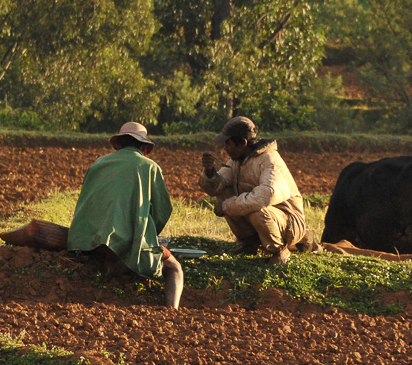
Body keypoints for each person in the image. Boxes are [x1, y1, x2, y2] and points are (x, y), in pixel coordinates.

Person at [67, 122, 183, 309]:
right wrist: (148, 235)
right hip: (123, 242)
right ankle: (172, 311)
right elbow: (163, 211)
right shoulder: (150, 166)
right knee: (175, 268)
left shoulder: (99, 163)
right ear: (144, 148)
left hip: (86, 241)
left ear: (118, 145)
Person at [198, 115, 315, 265]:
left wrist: (227, 206)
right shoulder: (236, 162)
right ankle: (250, 243)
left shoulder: (270, 160)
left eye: (228, 144)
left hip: (289, 221)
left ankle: (279, 250)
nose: (225, 148)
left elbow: (267, 195)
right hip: (266, 216)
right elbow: (217, 187)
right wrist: (209, 172)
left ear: (243, 144)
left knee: (257, 210)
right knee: (224, 193)